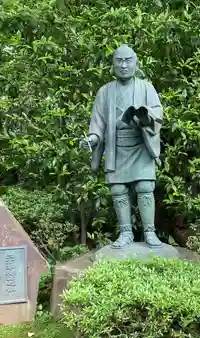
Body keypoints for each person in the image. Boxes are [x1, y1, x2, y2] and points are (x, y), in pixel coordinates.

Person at [81, 45, 163, 249]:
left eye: (128, 61)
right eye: (119, 61)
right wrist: (92, 139)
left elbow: (157, 114)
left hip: (141, 145)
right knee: (118, 189)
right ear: (113, 64)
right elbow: (97, 122)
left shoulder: (146, 87)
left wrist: (144, 118)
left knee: (145, 187)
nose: (124, 65)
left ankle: (150, 232)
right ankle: (125, 232)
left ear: (136, 63)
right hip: (116, 148)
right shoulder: (104, 92)